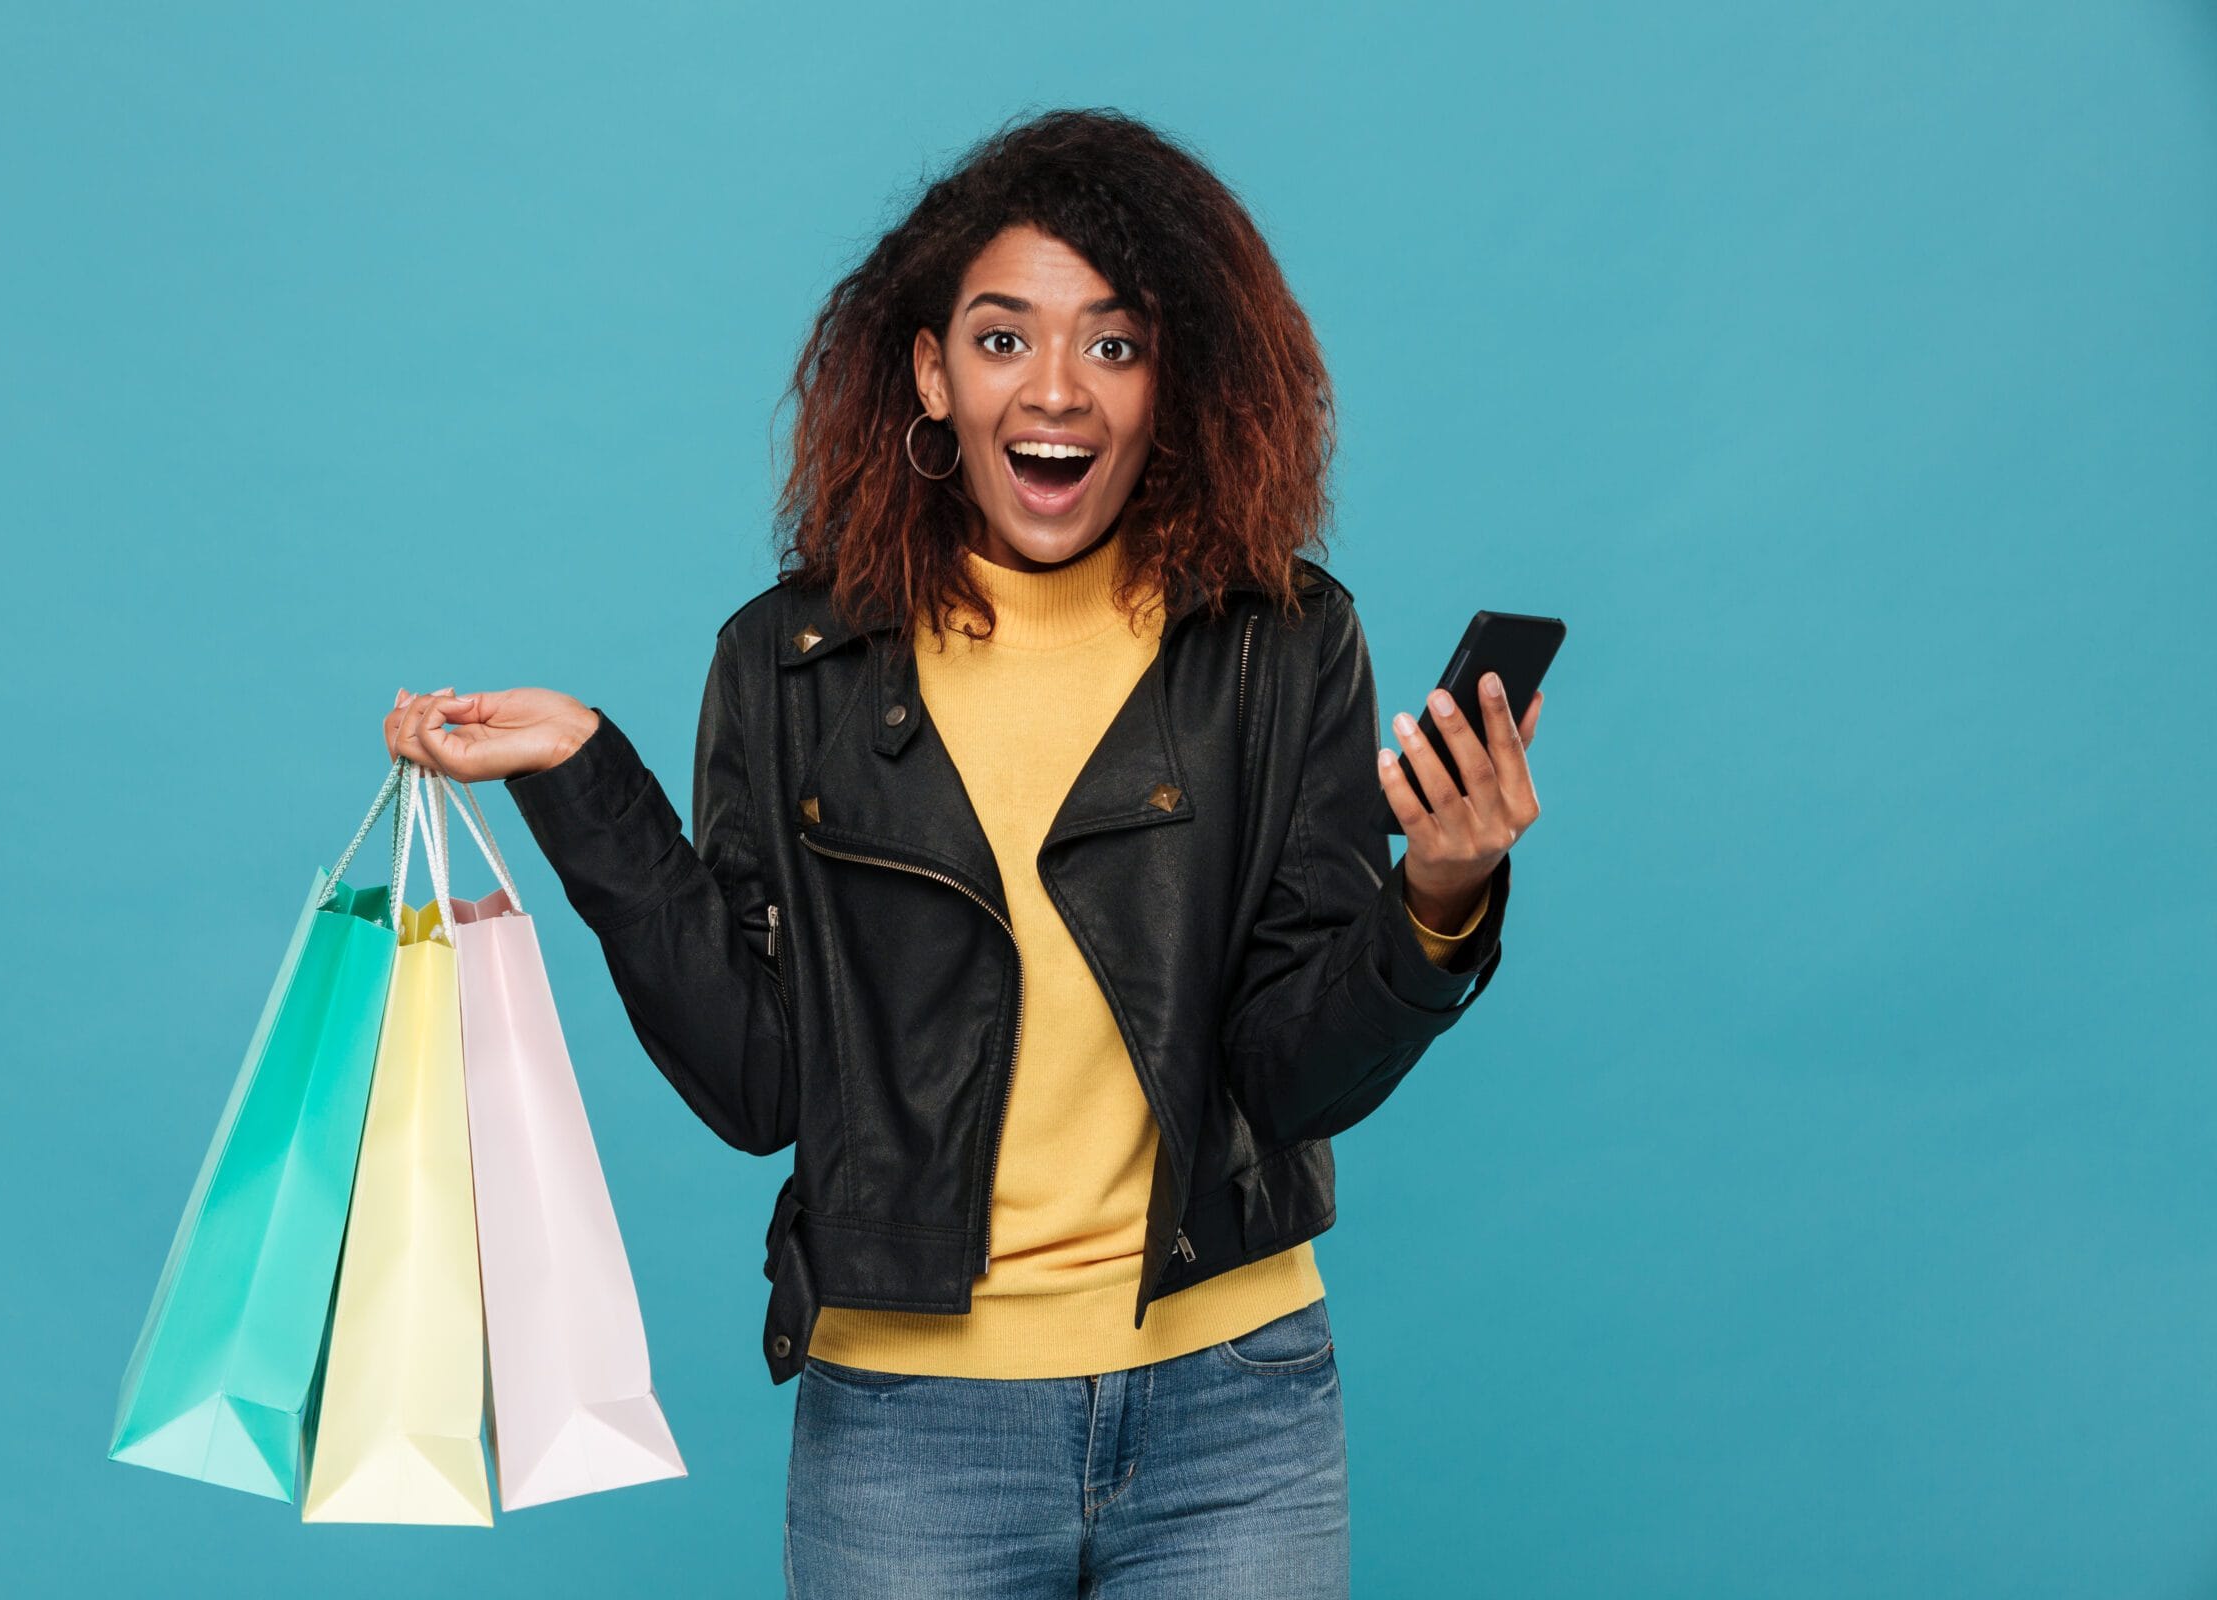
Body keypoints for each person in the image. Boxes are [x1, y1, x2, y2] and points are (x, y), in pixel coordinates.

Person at [383, 106, 1543, 1599]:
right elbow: (754, 1085)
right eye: (1003, 340)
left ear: (1172, 381)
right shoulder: (791, 663)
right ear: (931, 370)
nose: (1054, 389)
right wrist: (581, 786)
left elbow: (1294, 1076)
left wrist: (1436, 901)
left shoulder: (1281, 643)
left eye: (1114, 346)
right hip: (910, 1432)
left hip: (1231, 1409)